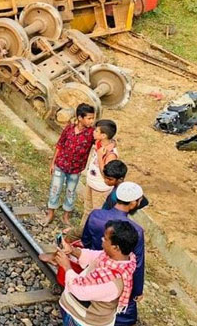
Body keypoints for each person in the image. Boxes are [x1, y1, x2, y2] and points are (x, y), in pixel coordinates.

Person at [82, 182, 148, 325]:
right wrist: (137, 291)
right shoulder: (136, 230)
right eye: (139, 200)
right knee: (121, 317)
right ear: (132, 203)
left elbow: (85, 241)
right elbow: (137, 264)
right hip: (116, 279)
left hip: (93, 270)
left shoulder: (95, 215)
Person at [57, 220, 139, 326]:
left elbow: (80, 292)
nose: (102, 240)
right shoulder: (118, 259)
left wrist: (67, 266)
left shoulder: (112, 284)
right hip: (77, 313)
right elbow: (93, 256)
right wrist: (72, 250)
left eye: (105, 239)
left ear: (116, 247)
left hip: (83, 321)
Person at [41, 103, 96, 226]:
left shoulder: (91, 133)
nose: (91, 121)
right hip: (60, 165)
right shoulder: (69, 129)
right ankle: (50, 213)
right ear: (80, 118)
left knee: (70, 192)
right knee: (55, 189)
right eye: (89, 118)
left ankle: (66, 216)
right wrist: (52, 163)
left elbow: (99, 143)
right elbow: (59, 145)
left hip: (75, 170)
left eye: (93, 118)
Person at [82, 119, 119, 226]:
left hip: (100, 189)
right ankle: (81, 232)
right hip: (91, 183)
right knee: (87, 210)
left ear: (103, 136)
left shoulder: (111, 155)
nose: (93, 132)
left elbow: (106, 174)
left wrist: (99, 156)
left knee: (96, 214)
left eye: (96, 131)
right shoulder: (99, 143)